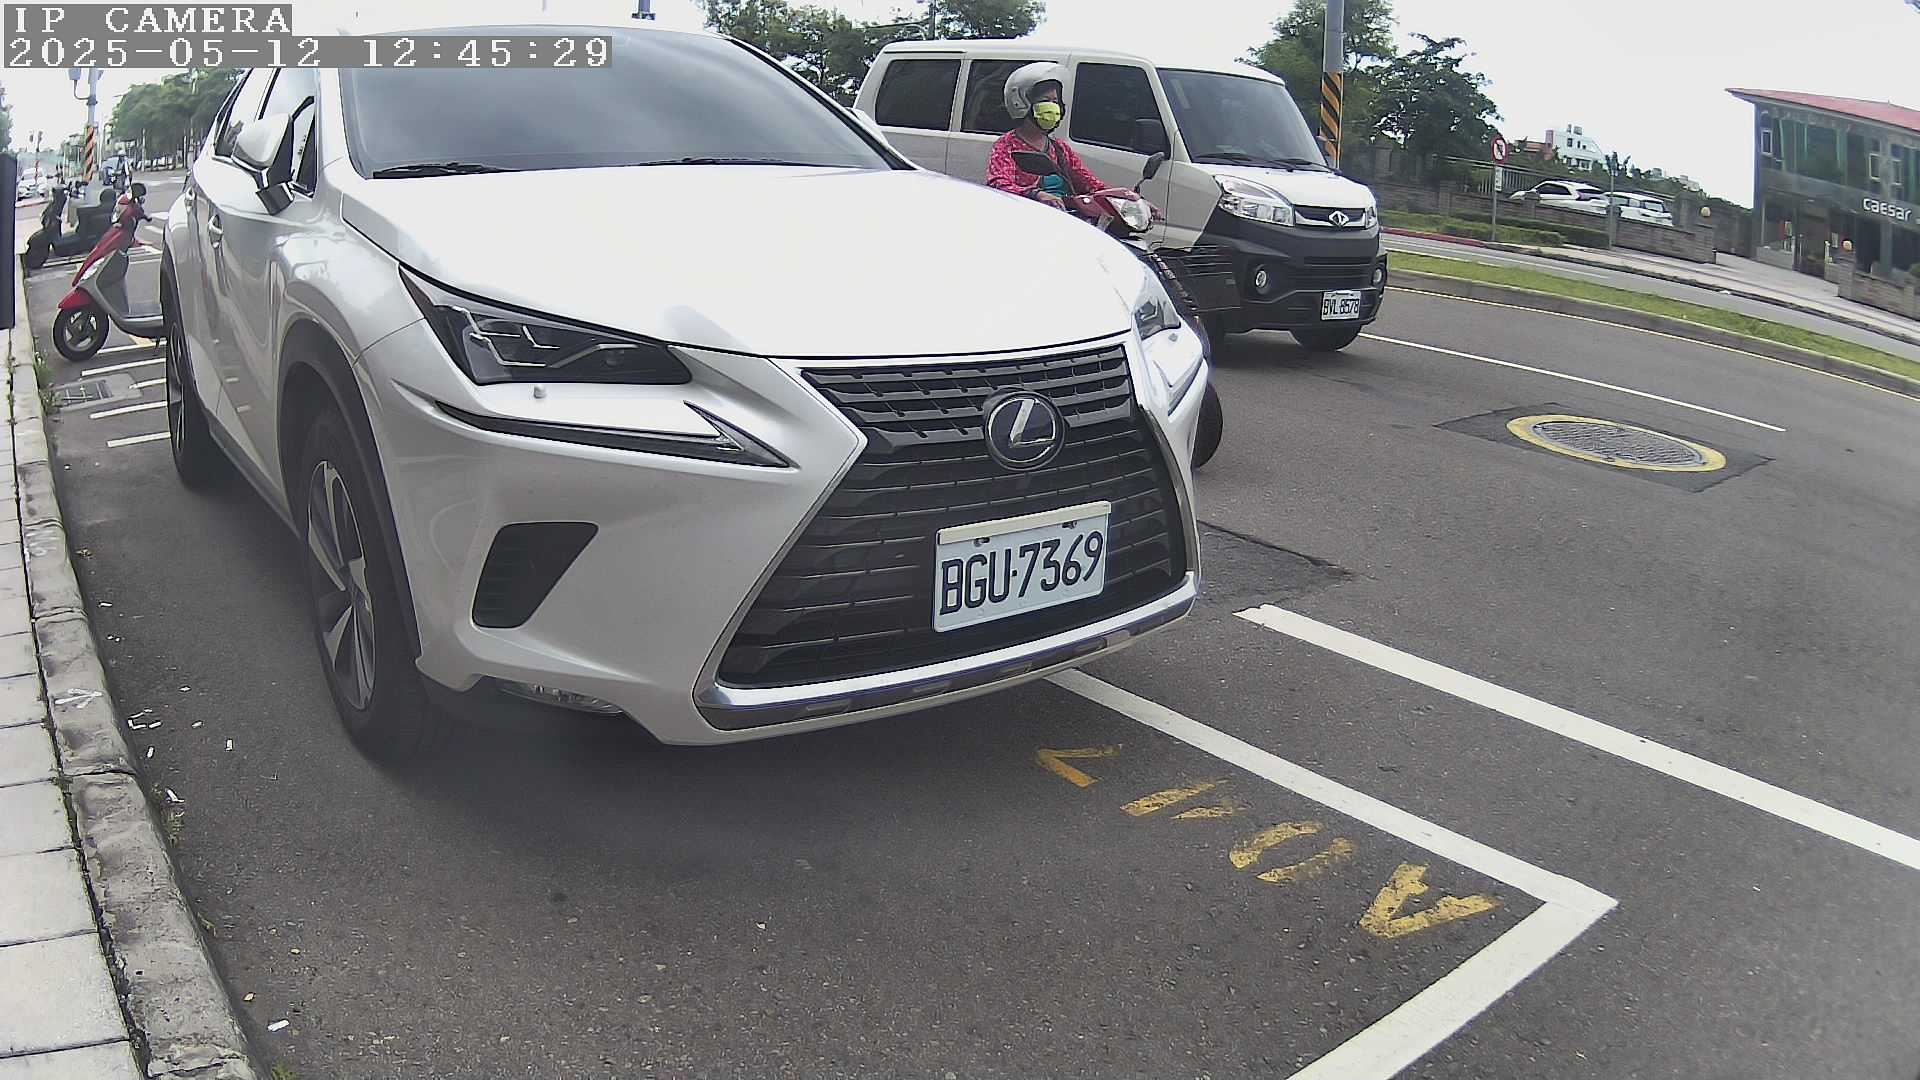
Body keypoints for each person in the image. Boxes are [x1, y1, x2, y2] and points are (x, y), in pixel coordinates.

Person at [986, 62, 1109, 209]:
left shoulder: (1060, 148)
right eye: (1045, 100)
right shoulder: (1006, 145)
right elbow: (998, 184)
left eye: (1055, 101)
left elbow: (1089, 182)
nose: (1052, 107)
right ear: (1022, 103)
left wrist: (1116, 197)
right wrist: (1036, 194)